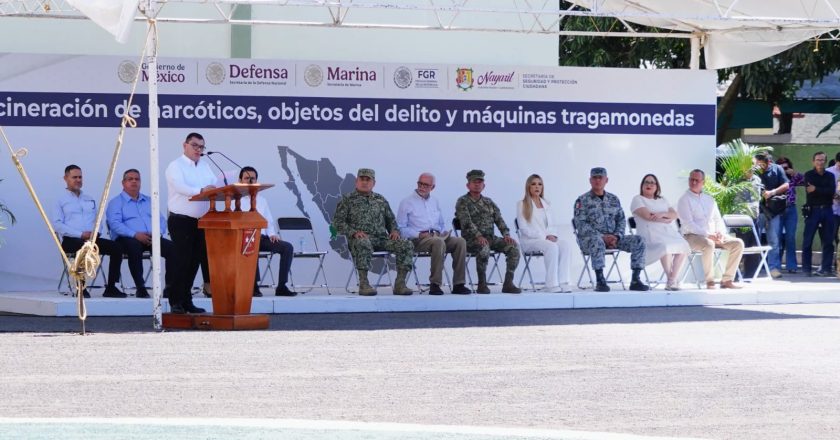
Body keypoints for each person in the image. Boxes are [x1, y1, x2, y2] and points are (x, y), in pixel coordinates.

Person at [332, 168, 414, 296]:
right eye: (362, 179)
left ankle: (400, 284)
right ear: (356, 181)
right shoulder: (347, 200)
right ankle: (364, 284)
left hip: (381, 239)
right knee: (363, 242)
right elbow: (337, 223)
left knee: (406, 244)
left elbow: (391, 220)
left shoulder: (380, 200)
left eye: (368, 180)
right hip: (359, 240)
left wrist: (394, 231)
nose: (364, 182)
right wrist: (353, 232)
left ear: (373, 183)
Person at [52, 164, 126, 299]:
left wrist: (96, 232)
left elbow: (98, 220)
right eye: (74, 177)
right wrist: (80, 234)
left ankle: (111, 287)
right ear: (66, 178)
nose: (78, 180)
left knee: (117, 248)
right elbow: (57, 225)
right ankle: (81, 287)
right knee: (83, 247)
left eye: (80, 177)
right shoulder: (60, 200)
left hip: (92, 239)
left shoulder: (89, 198)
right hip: (71, 240)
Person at [164, 132, 217, 314]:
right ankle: (175, 301)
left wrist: (212, 189)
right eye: (195, 145)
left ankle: (187, 300)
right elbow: (180, 187)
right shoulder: (175, 166)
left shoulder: (205, 166)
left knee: (194, 262)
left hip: (201, 222)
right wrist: (201, 190)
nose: (198, 150)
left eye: (201, 147)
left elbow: (214, 185)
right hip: (181, 220)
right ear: (184, 145)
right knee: (182, 261)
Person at [573, 167, 648, 292]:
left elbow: (621, 220)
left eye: (600, 178)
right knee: (597, 241)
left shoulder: (614, 199)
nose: (597, 180)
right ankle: (600, 280)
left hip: (614, 239)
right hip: (592, 240)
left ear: (606, 180)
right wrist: (602, 237)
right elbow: (581, 224)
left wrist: (617, 236)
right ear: (590, 180)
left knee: (639, 240)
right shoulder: (582, 200)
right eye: (594, 178)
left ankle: (635, 279)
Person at [396, 172, 471, 295]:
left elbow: (440, 223)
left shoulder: (434, 201)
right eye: (420, 183)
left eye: (426, 185)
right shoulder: (406, 202)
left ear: (433, 187)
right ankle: (435, 284)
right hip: (418, 240)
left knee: (460, 242)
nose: (422, 187)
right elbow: (400, 228)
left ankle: (459, 284)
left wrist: (443, 231)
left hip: (437, 236)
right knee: (438, 242)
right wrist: (419, 235)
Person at [106, 169, 175, 299]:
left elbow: (161, 220)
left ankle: (170, 288)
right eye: (130, 179)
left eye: (137, 179)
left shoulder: (149, 201)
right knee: (134, 247)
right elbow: (115, 224)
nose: (134, 182)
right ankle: (141, 288)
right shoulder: (115, 202)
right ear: (123, 183)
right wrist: (135, 234)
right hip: (127, 239)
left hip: (151, 238)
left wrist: (157, 233)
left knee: (172, 249)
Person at [455, 169, 521, 294]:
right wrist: (478, 236)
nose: (477, 184)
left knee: (513, 247)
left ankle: (508, 283)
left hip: (490, 238)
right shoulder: (462, 201)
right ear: (468, 185)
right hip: (471, 240)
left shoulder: (489, 202)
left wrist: (506, 234)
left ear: (483, 185)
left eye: (480, 182)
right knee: (484, 247)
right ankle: (482, 283)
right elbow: (466, 222)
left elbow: (499, 220)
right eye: (474, 182)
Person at [676, 169, 744, 289]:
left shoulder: (709, 199)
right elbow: (688, 225)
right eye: (691, 179)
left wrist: (720, 233)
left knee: (738, 243)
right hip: (691, 237)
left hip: (712, 236)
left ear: (703, 182)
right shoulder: (684, 199)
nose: (693, 182)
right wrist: (708, 235)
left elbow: (718, 219)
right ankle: (710, 281)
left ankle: (727, 280)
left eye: (696, 180)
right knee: (708, 244)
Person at [237, 166, 298, 297]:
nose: (250, 181)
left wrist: (272, 234)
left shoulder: (262, 200)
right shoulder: (235, 200)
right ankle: (253, 286)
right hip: (244, 238)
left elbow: (268, 221)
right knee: (251, 245)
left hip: (263, 238)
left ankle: (281, 286)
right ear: (240, 180)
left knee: (287, 247)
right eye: (247, 178)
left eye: (253, 178)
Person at [630, 173, 690, 291]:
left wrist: (663, 214)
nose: (649, 185)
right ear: (642, 185)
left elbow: (675, 215)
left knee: (683, 245)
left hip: (667, 232)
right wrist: (666, 219)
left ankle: (671, 279)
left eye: (652, 183)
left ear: (657, 186)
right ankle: (672, 280)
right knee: (666, 247)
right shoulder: (638, 199)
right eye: (646, 182)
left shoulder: (662, 199)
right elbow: (647, 216)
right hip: (649, 234)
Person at [515, 174, 572, 292]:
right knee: (551, 247)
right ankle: (551, 284)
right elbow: (524, 229)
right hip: (530, 240)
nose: (537, 187)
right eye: (533, 184)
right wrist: (544, 236)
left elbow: (552, 225)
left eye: (540, 184)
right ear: (528, 187)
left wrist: (553, 236)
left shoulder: (546, 203)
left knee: (565, 245)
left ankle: (563, 281)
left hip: (546, 239)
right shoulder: (522, 204)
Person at [754, 152, 789, 279]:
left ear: (768, 162)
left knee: (774, 240)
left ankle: (773, 268)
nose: (759, 167)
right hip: (757, 210)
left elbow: (786, 184)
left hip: (773, 211)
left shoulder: (777, 169)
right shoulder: (753, 170)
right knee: (754, 239)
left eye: (761, 164)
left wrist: (772, 192)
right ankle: (751, 267)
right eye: (757, 164)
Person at [801, 151, 836, 276]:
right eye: (817, 160)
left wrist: (817, 189)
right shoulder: (809, 175)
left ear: (825, 162)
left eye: (822, 160)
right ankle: (806, 269)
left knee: (828, 241)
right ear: (813, 161)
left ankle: (826, 268)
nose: (820, 162)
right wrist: (821, 191)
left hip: (827, 210)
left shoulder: (830, 176)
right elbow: (810, 191)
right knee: (807, 240)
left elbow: (831, 192)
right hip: (813, 210)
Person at [775, 156, 804, 273]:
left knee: (790, 237)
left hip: (791, 209)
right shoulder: (775, 176)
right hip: (777, 209)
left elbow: (806, 181)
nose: (784, 170)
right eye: (782, 167)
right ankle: (775, 265)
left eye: (786, 167)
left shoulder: (793, 177)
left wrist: (794, 173)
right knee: (777, 238)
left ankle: (791, 266)